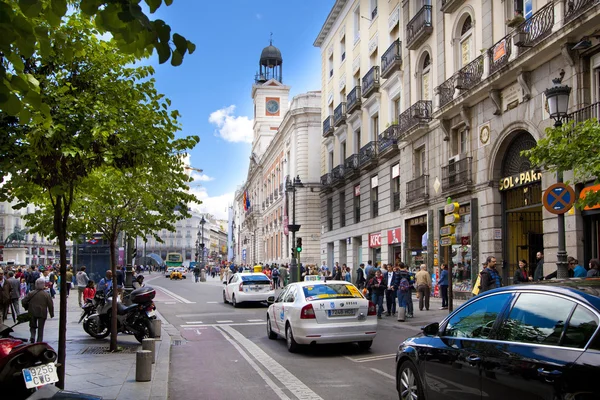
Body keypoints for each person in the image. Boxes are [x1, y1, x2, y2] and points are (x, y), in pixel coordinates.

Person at [21, 278, 54, 343]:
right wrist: (51, 313)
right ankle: (39, 340)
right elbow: (50, 305)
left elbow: (24, 301)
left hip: (32, 312)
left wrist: (26, 307)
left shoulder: (31, 293)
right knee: (41, 328)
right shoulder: (46, 294)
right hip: (42, 312)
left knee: (32, 325)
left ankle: (32, 336)